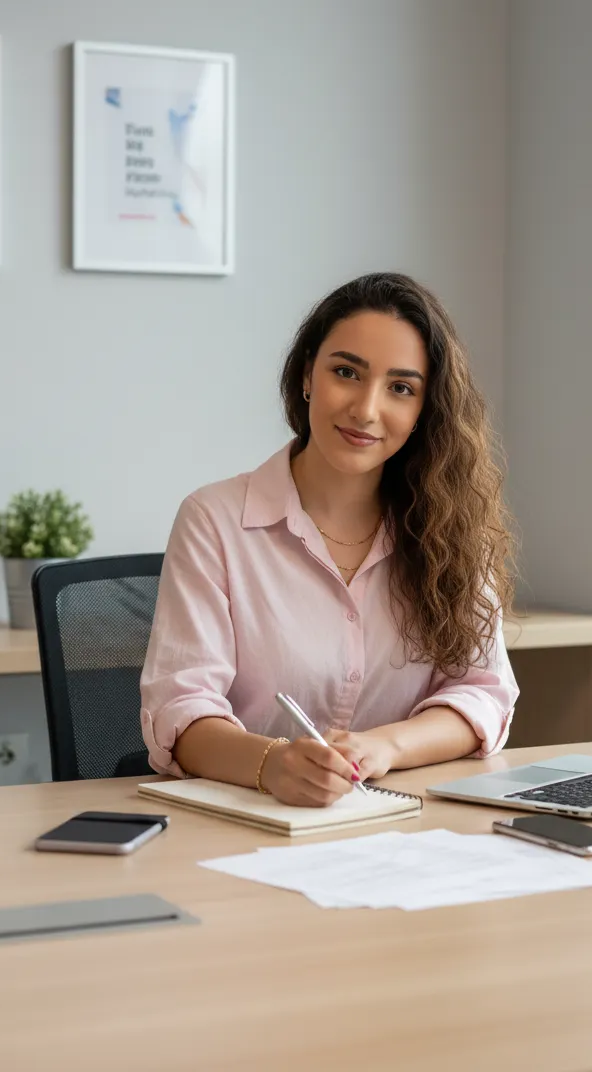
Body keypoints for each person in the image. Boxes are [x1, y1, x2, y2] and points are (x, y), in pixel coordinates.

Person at [140, 272, 519, 806]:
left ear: (422, 411)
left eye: (401, 388)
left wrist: (383, 747)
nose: (366, 409)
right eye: (346, 373)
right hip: (248, 824)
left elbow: (482, 693)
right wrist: (272, 765)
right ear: (306, 377)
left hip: (404, 828)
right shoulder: (214, 519)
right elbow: (181, 711)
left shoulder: (451, 529)